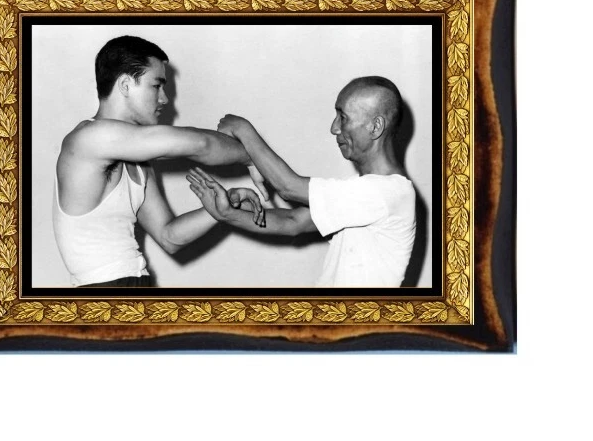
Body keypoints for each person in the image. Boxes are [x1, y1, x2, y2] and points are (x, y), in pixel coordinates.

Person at [52, 35, 265, 288]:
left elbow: (169, 236)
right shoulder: (89, 139)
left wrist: (222, 207)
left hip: (135, 283)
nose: (164, 99)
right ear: (125, 85)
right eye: (156, 86)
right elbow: (199, 144)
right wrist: (253, 157)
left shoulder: (138, 161)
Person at [187, 76, 416, 287]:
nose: (334, 128)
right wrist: (228, 213)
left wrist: (242, 128)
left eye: (343, 117)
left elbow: (288, 187)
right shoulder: (365, 190)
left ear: (375, 126)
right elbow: (294, 222)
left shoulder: (387, 192)